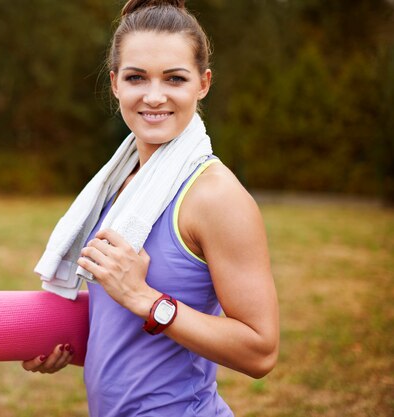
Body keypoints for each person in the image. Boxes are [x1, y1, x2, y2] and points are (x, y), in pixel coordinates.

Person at [22, 0, 279, 415]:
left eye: (175, 78)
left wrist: (145, 297)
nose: (154, 96)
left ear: (203, 83)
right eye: (137, 77)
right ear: (115, 84)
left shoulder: (216, 197)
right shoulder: (119, 187)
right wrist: (65, 343)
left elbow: (260, 352)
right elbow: (126, 326)